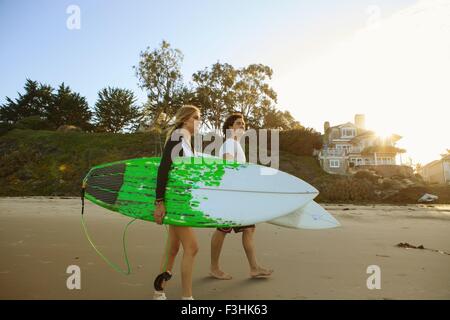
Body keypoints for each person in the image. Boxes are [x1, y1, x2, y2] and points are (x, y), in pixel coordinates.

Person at [209, 113, 274, 280]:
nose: (242, 126)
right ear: (230, 128)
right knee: (222, 230)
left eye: (244, 124)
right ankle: (214, 268)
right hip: (232, 195)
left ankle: (254, 268)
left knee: (248, 228)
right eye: (239, 123)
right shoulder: (230, 143)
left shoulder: (234, 144)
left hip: (237, 195)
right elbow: (228, 166)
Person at [153, 105, 201, 300]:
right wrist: (159, 202)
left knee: (173, 248)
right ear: (185, 120)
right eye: (196, 118)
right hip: (175, 202)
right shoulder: (178, 136)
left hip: (183, 200)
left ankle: (158, 290)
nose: (199, 121)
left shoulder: (188, 140)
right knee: (192, 247)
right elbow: (163, 169)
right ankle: (187, 298)